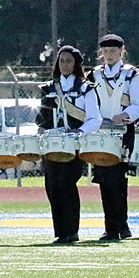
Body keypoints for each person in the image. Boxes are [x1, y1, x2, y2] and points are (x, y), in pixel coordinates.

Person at [37, 46, 102, 244]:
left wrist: (79, 133)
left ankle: (72, 230)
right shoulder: (48, 88)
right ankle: (60, 232)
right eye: (62, 61)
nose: (65, 65)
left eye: (69, 61)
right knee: (52, 185)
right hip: (51, 144)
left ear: (76, 64)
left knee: (67, 184)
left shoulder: (85, 88)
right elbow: (41, 118)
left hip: (74, 146)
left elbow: (95, 119)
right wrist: (41, 130)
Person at [87, 34, 139, 241]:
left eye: (113, 51)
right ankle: (111, 226)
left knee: (118, 179)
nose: (109, 55)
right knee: (103, 179)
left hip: (122, 133)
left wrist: (125, 115)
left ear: (121, 52)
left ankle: (122, 224)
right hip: (100, 133)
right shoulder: (94, 75)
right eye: (105, 51)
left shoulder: (131, 75)